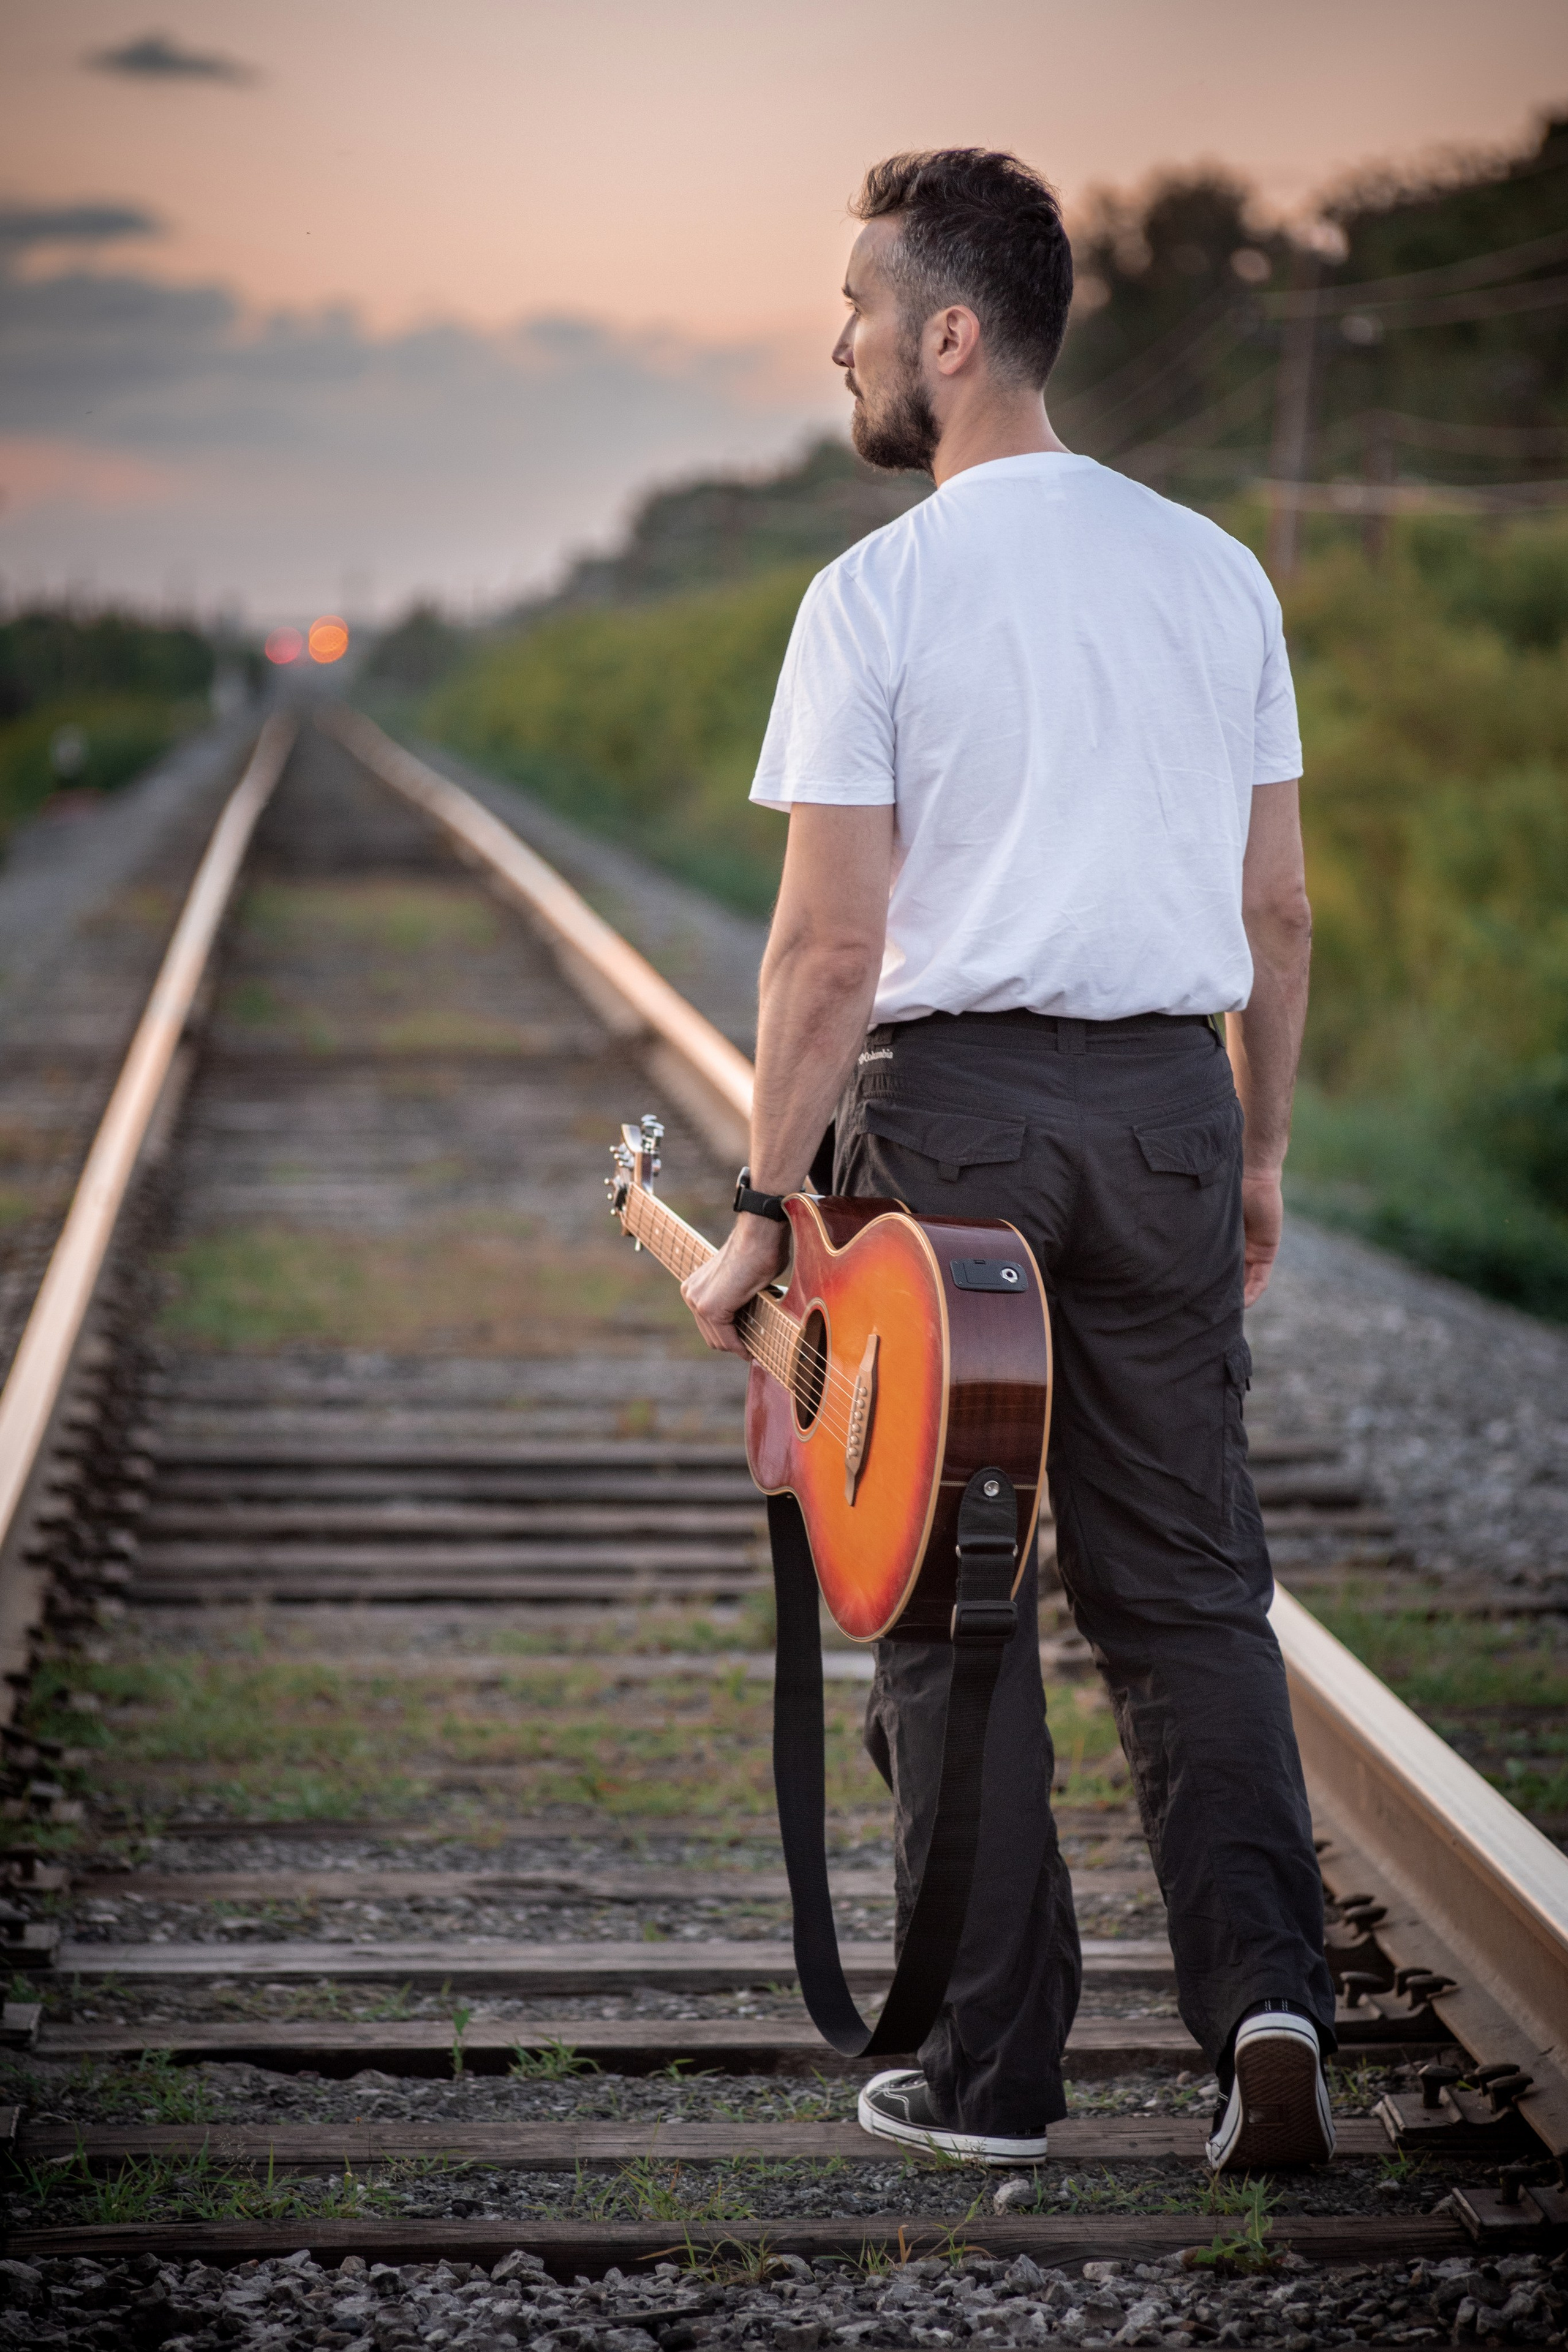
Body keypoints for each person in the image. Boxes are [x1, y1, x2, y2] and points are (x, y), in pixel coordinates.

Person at [681, 148, 1336, 2175]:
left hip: (953, 1128)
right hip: (1164, 1105)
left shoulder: (876, 593)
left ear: (951, 337)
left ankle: (994, 2078)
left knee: (955, 1611)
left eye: (863, 311)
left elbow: (827, 953)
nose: (842, 344)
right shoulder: (1212, 568)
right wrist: (1257, 1153)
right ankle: (1266, 2015)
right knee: (1189, 1592)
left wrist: (759, 1208)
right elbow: (1283, 912)